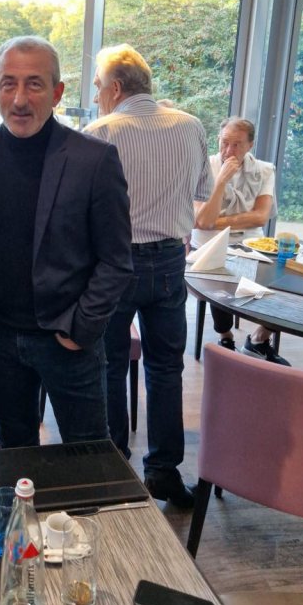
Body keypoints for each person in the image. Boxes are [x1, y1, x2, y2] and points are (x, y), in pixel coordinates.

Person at [0, 36, 133, 449]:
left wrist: (83, 327)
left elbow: (116, 260)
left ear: (57, 93)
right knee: (14, 448)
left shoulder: (94, 159)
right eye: (8, 84)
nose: (20, 99)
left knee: (88, 452)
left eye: (35, 84)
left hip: (67, 339)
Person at [86, 44, 211, 510]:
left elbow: (81, 209)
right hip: (171, 261)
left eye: (98, 87)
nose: (96, 96)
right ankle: (163, 472)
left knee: (110, 364)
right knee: (166, 368)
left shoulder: (99, 132)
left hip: (114, 263)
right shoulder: (192, 126)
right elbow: (201, 192)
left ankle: (115, 469)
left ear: (116, 88)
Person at [193, 116, 289, 364]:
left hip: (251, 243)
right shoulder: (205, 166)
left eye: (236, 145)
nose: (228, 151)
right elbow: (202, 222)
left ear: (250, 145)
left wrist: (218, 220)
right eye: (224, 142)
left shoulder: (264, 170)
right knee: (220, 276)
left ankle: (258, 338)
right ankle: (225, 336)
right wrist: (221, 181)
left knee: (283, 282)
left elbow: (260, 217)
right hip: (208, 243)